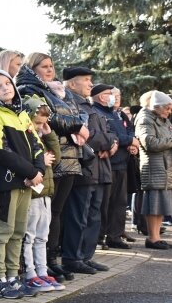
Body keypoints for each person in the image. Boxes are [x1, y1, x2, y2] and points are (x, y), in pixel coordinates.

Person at [15, 53, 87, 282]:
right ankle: (37, 265)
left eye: (51, 66)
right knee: (45, 215)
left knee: (56, 214)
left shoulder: (59, 91)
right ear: (32, 68)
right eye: (44, 66)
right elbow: (50, 119)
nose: (49, 70)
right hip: (50, 157)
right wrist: (76, 126)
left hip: (70, 156)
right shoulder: (29, 88)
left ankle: (50, 262)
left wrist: (76, 124)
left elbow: (78, 114)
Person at [0, 70, 45, 298]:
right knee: (2, 230)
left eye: (7, 83)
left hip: (27, 181)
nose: (6, 88)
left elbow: (37, 145)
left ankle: (13, 277)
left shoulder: (22, 116)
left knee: (18, 231)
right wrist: (29, 171)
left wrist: (38, 171)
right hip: (6, 182)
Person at [60, 68, 116, 275]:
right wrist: (106, 142)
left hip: (100, 169)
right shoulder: (70, 103)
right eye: (86, 80)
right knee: (79, 215)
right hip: (85, 167)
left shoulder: (90, 105)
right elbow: (84, 136)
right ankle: (72, 257)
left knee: (94, 215)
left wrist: (112, 143)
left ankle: (86, 256)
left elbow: (109, 134)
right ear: (72, 84)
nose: (90, 84)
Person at [21, 95, 65, 292]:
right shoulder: (24, 135)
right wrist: (40, 161)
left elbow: (55, 158)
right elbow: (25, 160)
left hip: (46, 193)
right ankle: (29, 272)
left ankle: (42, 271)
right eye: (38, 122)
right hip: (32, 194)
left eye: (44, 123)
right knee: (29, 235)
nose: (40, 126)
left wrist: (49, 135)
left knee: (42, 236)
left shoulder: (41, 135)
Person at [93, 86, 138, 249]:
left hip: (122, 163)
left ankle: (115, 236)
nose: (114, 98)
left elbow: (129, 130)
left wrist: (132, 143)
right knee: (104, 203)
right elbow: (111, 134)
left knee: (119, 203)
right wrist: (129, 141)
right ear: (100, 97)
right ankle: (99, 237)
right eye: (110, 95)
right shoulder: (98, 112)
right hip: (108, 164)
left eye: (116, 95)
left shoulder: (117, 113)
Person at [134, 90, 172, 249]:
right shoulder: (144, 118)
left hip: (165, 166)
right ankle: (152, 238)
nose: (169, 111)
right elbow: (150, 142)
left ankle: (156, 237)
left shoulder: (164, 120)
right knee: (153, 203)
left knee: (161, 204)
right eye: (167, 108)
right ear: (157, 107)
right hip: (153, 166)